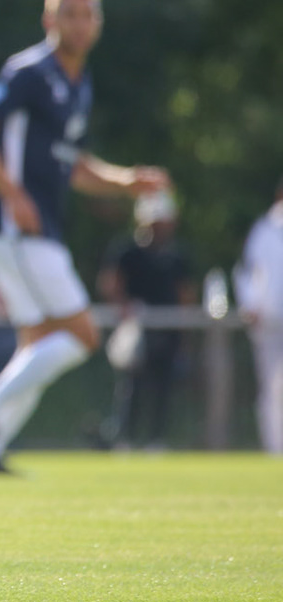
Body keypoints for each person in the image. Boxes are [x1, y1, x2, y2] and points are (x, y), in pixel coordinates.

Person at [0, 0, 170, 473]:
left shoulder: (79, 83)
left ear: (98, 24)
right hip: (17, 227)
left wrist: (127, 181)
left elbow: (74, 167)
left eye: (88, 14)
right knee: (82, 335)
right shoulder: (29, 72)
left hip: (36, 228)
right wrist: (13, 194)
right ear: (49, 20)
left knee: (40, 341)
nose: (79, 23)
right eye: (69, 14)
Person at [95, 191, 194, 450]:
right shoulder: (127, 250)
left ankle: (156, 441)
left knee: (163, 387)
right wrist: (123, 306)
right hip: (136, 330)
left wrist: (184, 332)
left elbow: (185, 294)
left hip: (167, 331)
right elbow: (111, 283)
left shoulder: (175, 255)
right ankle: (125, 438)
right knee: (131, 387)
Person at [236, 179, 283, 455]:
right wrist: (251, 305)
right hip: (270, 321)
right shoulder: (264, 231)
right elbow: (248, 272)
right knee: (271, 388)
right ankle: (275, 448)